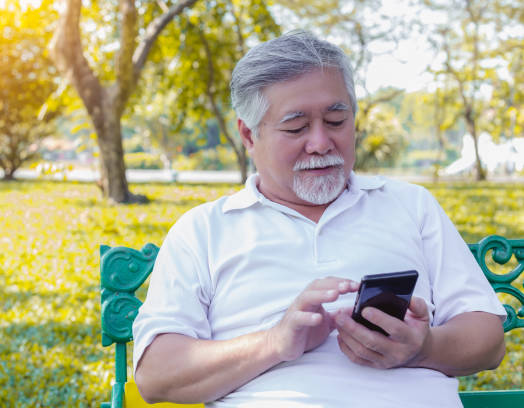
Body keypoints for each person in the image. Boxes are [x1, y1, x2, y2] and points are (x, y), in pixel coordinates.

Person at [132, 30, 506, 407]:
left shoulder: (411, 206)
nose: (321, 142)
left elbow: (488, 339)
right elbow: (156, 375)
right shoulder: (204, 231)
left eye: (336, 121)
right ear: (249, 135)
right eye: (295, 128)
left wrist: (422, 348)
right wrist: (274, 343)